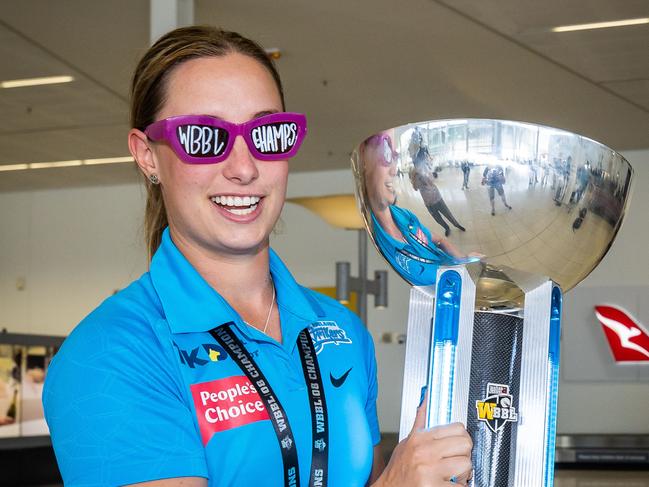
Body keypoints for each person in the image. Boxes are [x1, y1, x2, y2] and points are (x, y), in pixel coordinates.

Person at [42, 26, 472, 487]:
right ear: (147, 156)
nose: (244, 168)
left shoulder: (340, 330)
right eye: (203, 138)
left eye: (267, 133)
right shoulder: (110, 354)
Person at [361, 131, 480, 287]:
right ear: (362, 158)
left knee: (449, 215)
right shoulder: (380, 243)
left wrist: (464, 260)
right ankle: (447, 227)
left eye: (395, 157)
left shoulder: (404, 215)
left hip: (437, 198)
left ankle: (456, 225)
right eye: (386, 152)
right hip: (429, 203)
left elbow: (439, 240)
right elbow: (415, 188)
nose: (394, 169)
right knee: (440, 220)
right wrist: (415, 177)